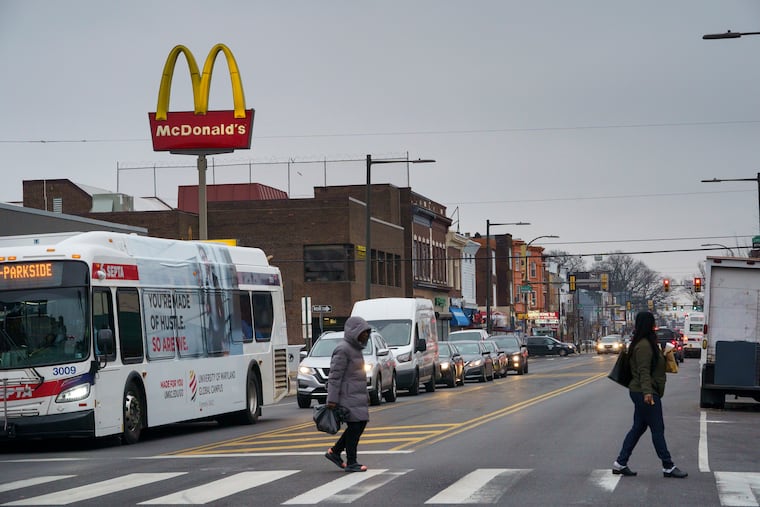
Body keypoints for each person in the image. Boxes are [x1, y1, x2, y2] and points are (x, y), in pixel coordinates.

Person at [612, 311, 688, 479]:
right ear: (648, 325)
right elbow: (643, 371)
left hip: (643, 391)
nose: (654, 326)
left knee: (638, 428)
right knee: (657, 428)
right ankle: (668, 465)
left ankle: (620, 463)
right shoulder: (644, 346)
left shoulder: (645, 343)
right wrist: (648, 393)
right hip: (644, 392)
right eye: (652, 323)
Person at [324, 316, 371, 473]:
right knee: (355, 427)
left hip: (357, 396)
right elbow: (335, 376)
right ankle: (351, 462)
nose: (366, 335)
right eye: (363, 332)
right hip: (347, 396)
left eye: (367, 332)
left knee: (358, 425)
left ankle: (335, 452)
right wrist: (332, 399)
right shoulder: (343, 349)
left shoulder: (356, 349)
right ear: (354, 332)